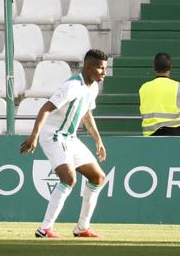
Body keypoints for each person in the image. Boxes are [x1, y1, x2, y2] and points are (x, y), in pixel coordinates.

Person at [21, 48, 110, 239]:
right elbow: (46, 107)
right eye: (101, 68)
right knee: (69, 178)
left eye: (105, 68)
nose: (104, 72)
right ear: (88, 67)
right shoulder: (71, 86)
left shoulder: (92, 87)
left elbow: (86, 114)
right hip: (54, 135)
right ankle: (44, 229)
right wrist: (34, 135)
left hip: (70, 138)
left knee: (98, 178)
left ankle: (82, 228)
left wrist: (98, 140)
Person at [137, 52, 180, 137]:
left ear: (154, 68)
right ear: (170, 67)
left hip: (149, 136)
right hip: (174, 135)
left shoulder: (144, 88)